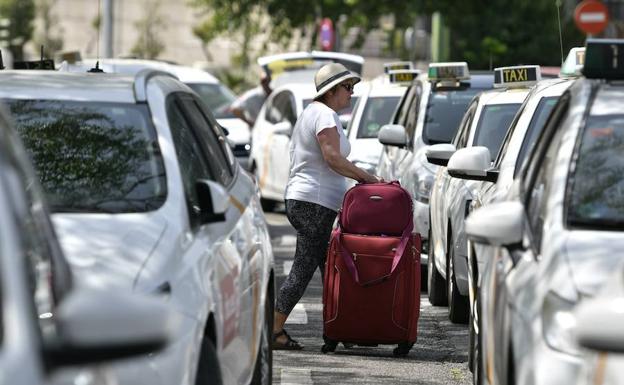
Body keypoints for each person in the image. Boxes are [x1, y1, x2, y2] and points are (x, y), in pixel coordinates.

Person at [272, 63, 381, 350]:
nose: (351, 93)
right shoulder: (324, 114)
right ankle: (273, 330)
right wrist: (369, 179)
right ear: (331, 90)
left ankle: (339, 330)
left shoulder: (315, 112)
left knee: (330, 269)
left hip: (311, 202)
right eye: (348, 87)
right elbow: (332, 157)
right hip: (313, 203)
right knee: (303, 269)